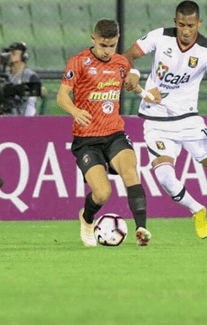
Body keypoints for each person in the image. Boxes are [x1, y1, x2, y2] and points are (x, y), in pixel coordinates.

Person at [123, 0, 207, 247]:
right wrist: (133, 74)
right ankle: (197, 209)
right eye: (182, 25)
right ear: (175, 22)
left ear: (199, 24)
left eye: (191, 25)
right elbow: (128, 56)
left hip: (189, 120)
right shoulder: (160, 37)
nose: (186, 30)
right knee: (164, 176)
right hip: (156, 120)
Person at [57, 19, 161, 247]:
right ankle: (86, 219)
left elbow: (131, 74)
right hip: (87, 140)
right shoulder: (78, 63)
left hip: (114, 134)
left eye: (112, 45)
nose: (107, 51)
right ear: (93, 39)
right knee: (103, 193)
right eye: (103, 45)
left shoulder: (120, 63)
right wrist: (75, 111)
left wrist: (142, 88)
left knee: (130, 171)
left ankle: (142, 228)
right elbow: (62, 96)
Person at [3, 42, 47, 116]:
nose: (10, 56)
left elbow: (43, 92)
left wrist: (22, 89)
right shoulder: (4, 73)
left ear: (23, 56)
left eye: (14, 53)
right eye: (9, 53)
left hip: (24, 113)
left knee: (31, 100)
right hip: (7, 113)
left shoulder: (29, 75)